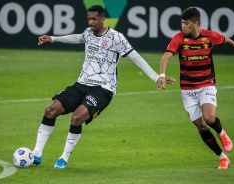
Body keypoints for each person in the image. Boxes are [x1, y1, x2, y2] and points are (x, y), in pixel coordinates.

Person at [33, 5, 175, 169]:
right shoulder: (88, 33)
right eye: (88, 19)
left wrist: (156, 77)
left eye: (94, 19)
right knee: (50, 110)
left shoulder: (116, 38)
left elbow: (135, 57)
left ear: (102, 19)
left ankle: (63, 158)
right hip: (81, 84)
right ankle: (36, 153)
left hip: (103, 88)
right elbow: (79, 37)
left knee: (77, 118)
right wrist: (53, 38)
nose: (91, 22)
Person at [157, 7, 234, 169]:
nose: (183, 26)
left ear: (195, 23)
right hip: (187, 90)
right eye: (182, 23)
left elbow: (226, 40)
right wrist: (162, 75)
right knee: (201, 126)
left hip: (206, 84)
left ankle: (222, 133)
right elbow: (166, 57)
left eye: (186, 23)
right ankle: (222, 158)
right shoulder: (179, 38)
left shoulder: (209, 36)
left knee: (209, 118)